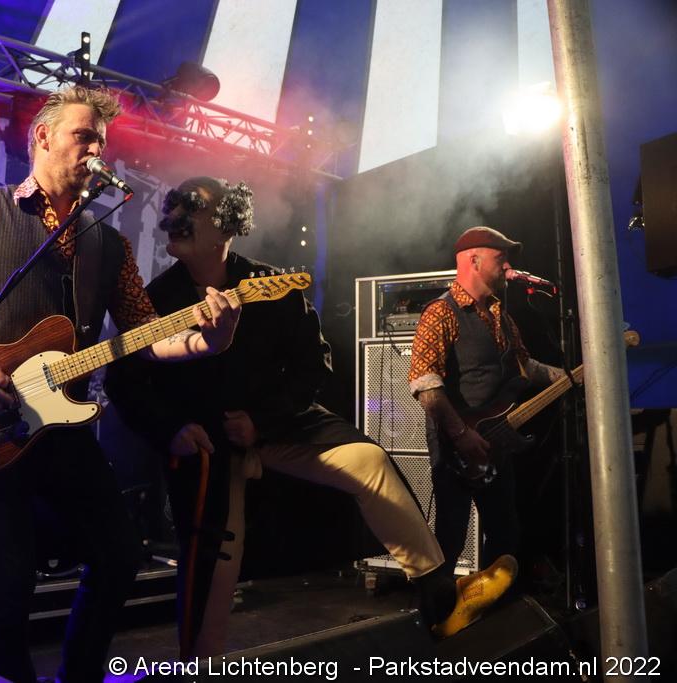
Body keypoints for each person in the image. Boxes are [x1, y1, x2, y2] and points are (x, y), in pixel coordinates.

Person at [0, 87, 241, 682]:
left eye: (101, 142)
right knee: (8, 582)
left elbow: (146, 336)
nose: (96, 150)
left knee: (119, 554)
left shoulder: (109, 241)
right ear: (43, 137)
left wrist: (210, 341)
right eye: (84, 136)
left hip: (65, 422)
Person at [104, 178, 514, 657]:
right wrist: (170, 429)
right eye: (172, 204)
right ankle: (201, 664)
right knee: (217, 564)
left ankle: (440, 597)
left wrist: (262, 422)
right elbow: (123, 382)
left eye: (191, 207)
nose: (172, 216)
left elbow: (314, 365)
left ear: (226, 226)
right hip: (207, 446)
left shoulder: (269, 285)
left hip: (274, 426)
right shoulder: (155, 297)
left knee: (369, 461)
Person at [409, 226, 569, 636]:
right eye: (501, 258)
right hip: (457, 445)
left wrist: (571, 376)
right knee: (449, 538)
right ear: (474, 260)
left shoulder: (501, 314)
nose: (508, 266)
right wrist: (462, 435)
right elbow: (425, 384)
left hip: (497, 444)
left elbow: (526, 367)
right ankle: (432, 628)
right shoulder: (440, 312)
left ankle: (493, 625)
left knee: (505, 536)